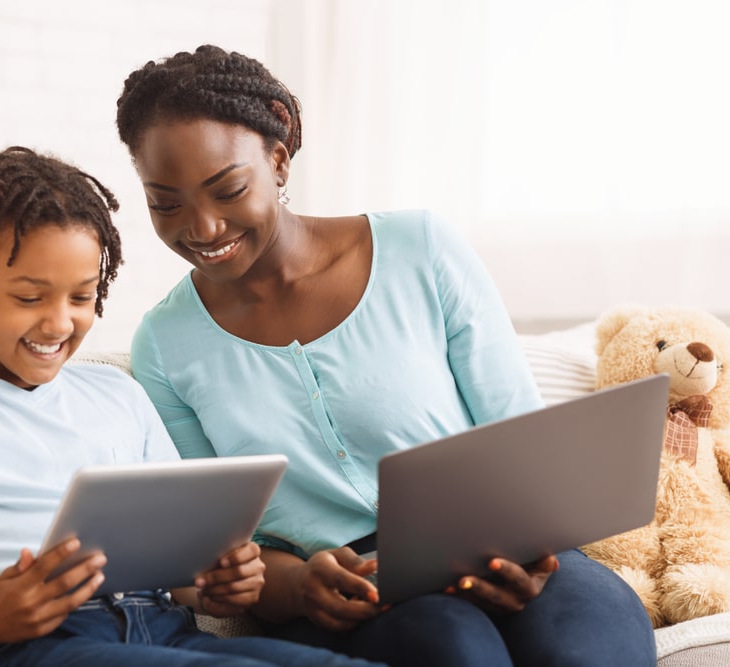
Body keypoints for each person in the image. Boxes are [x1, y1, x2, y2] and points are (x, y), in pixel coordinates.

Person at [114, 45, 657, 667]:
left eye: (228, 189)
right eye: (166, 203)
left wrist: (529, 545)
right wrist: (296, 586)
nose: (203, 228)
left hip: (504, 544)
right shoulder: (163, 345)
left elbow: (522, 437)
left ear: (279, 159)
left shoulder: (419, 249)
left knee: (584, 648)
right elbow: (221, 545)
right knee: (455, 647)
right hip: (345, 596)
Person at [0, 146, 384, 667]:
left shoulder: (118, 396)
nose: (58, 324)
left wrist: (216, 587)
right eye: (30, 297)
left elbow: (182, 574)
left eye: (81, 297)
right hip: (33, 648)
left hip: (166, 632)